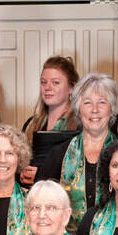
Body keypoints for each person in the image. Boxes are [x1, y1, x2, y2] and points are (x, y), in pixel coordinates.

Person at [39, 73, 118, 231]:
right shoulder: (58, 154)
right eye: (87, 103)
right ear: (78, 110)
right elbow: (42, 204)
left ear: (111, 109)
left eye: (102, 102)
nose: (94, 110)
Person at [20, 56, 79, 187]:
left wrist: (42, 173)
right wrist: (22, 173)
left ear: (71, 88)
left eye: (55, 82)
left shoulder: (79, 125)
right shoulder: (31, 124)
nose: (48, 87)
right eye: (43, 82)